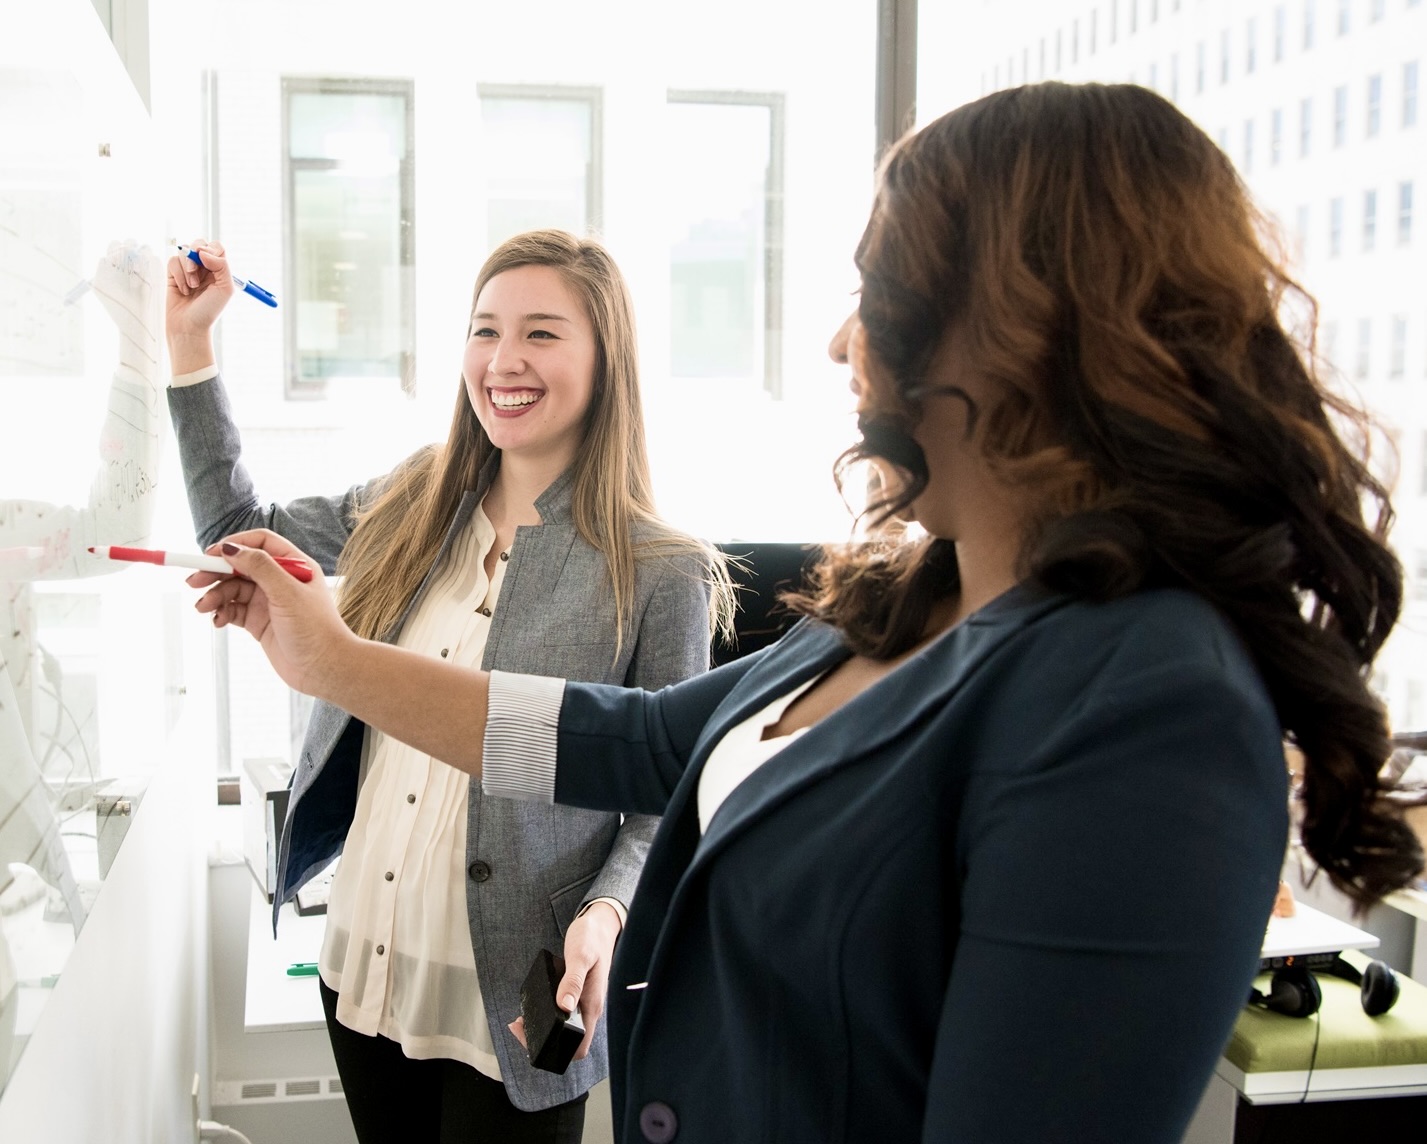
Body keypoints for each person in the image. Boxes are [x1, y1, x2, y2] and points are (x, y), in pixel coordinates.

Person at [186, 83, 1424, 1143]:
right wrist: (335, 663)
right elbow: (636, 740)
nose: (840, 343)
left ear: (1024, 325)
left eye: (874, 291)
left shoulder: (1146, 699)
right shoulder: (899, 601)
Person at [165, 229, 730, 1143]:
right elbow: (240, 529)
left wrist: (607, 908)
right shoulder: (417, 496)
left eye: (542, 333)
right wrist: (192, 347)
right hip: (367, 955)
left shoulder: (661, 570)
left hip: (521, 986)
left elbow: (666, 791)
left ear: (606, 359)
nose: (504, 360)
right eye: (485, 330)